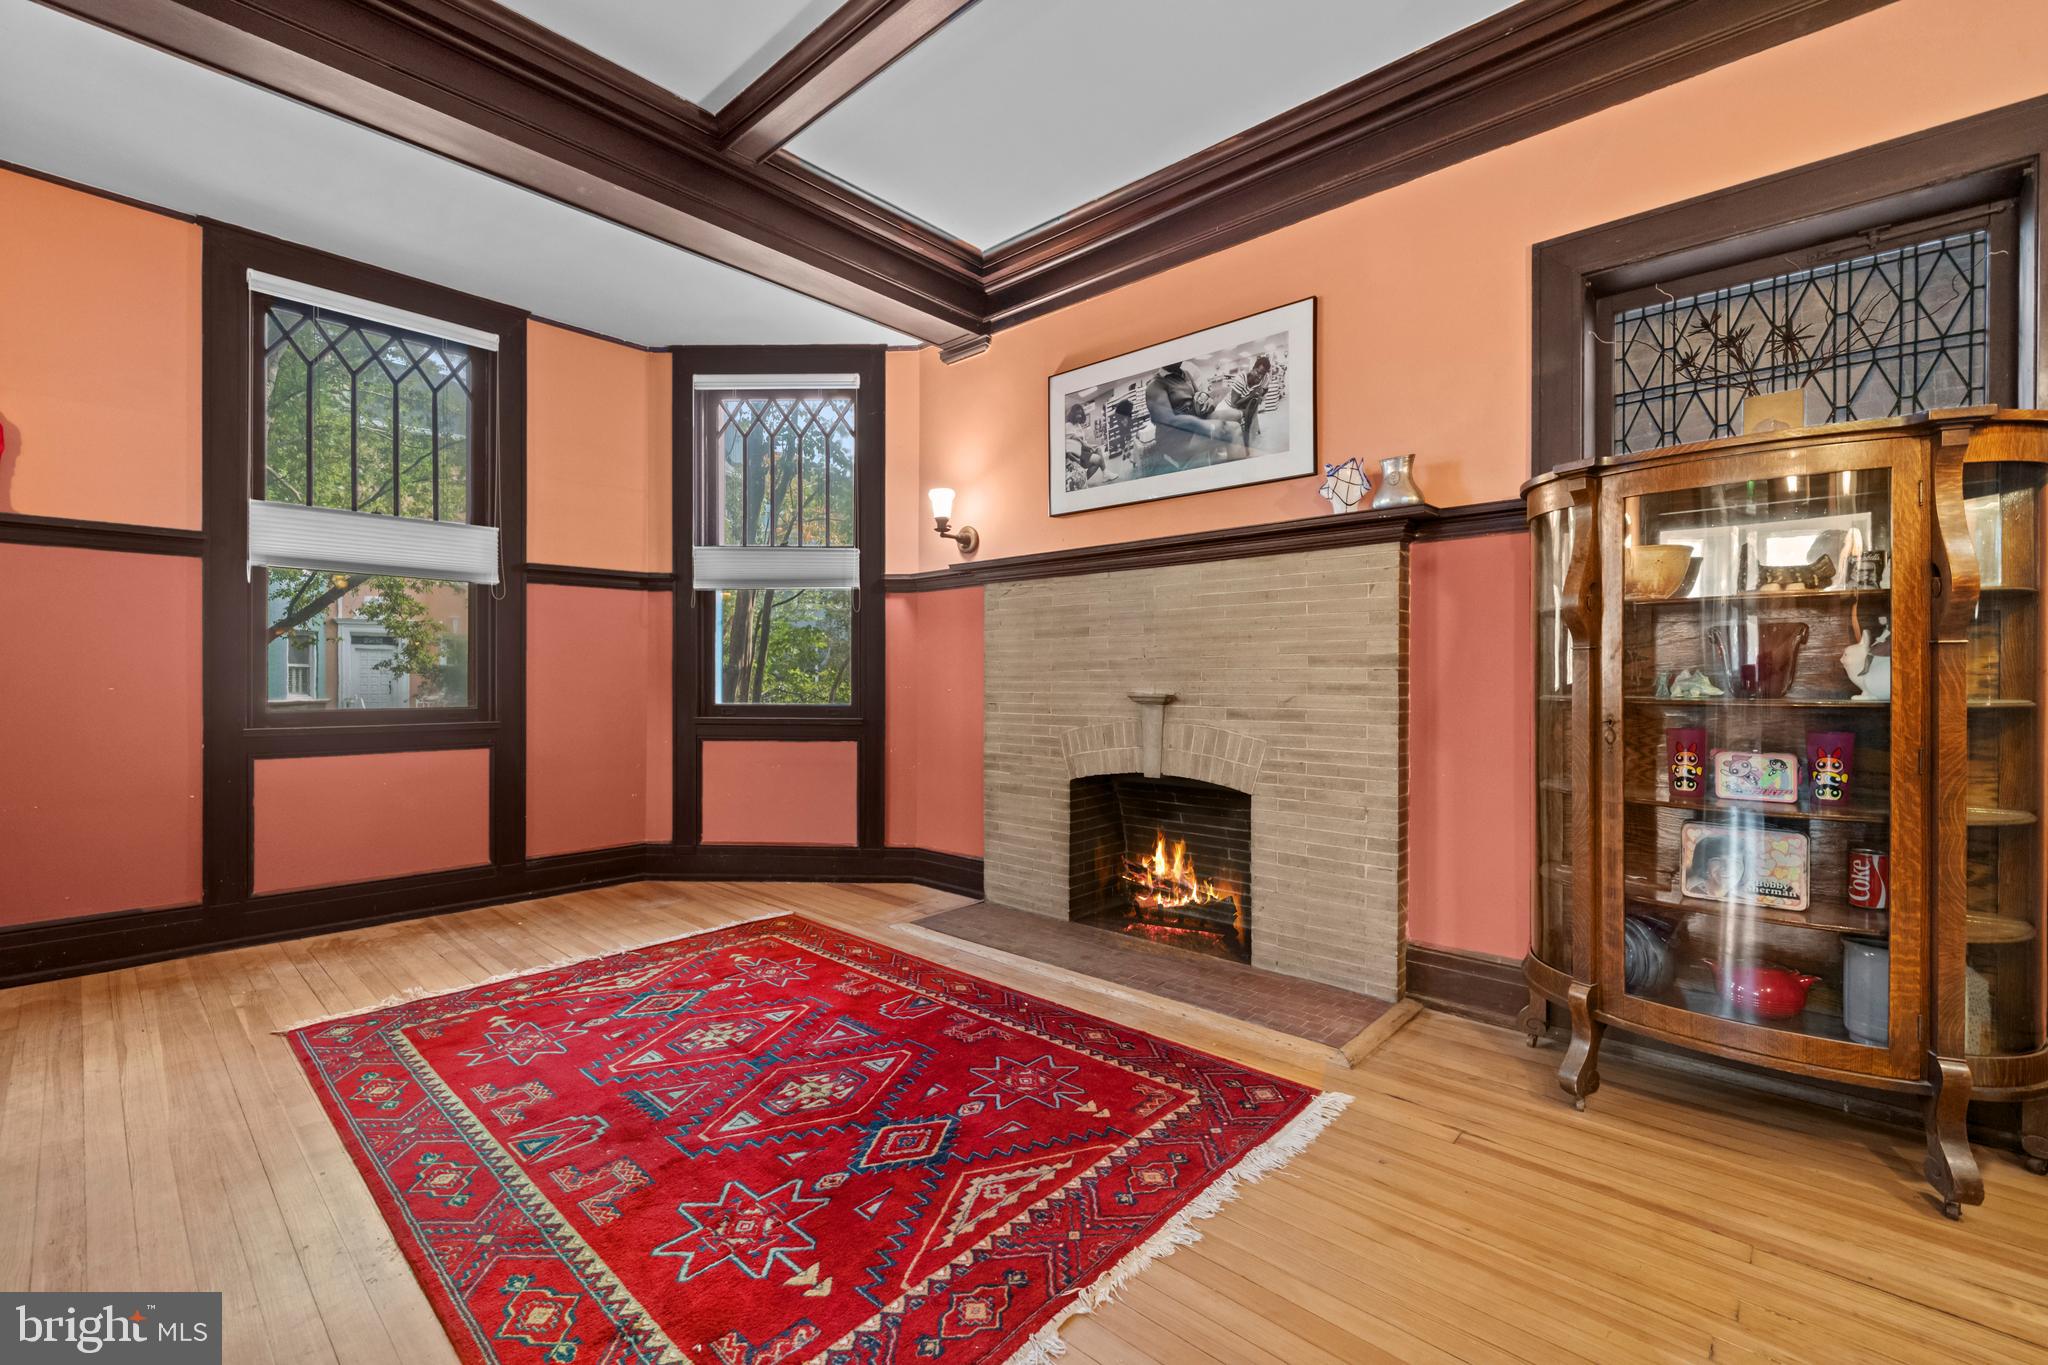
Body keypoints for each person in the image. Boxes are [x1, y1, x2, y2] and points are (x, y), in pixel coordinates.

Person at [1144, 359, 1241, 475]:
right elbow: (1168, 421)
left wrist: (1208, 400)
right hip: (1175, 439)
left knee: (1235, 416)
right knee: (1232, 430)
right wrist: (1204, 425)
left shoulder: (1186, 373)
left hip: (1194, 423)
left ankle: (1223, 464)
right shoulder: (1155, 385)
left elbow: (1199, 394)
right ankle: (1236, 479)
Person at [1227, 354, 1273, 454]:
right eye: (1258, 372)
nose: (1260, 376)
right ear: (1253, 368)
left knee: (1248, 423)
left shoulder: (1265, 377)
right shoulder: (1241, 378)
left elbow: (1265, 389)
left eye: (1263, 373)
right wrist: (1251, 395)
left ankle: (1246, 447)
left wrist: (1261, 395)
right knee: (1235, 428)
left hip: (1248, 402)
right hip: (1231, 405)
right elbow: (1234, 404)